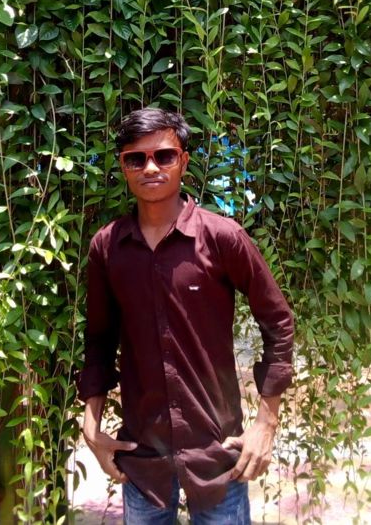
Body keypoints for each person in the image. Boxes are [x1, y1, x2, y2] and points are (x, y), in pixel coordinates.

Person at [78, 107, 294, 524]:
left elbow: (278, 322)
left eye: (164, 156)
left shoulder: (222, 238)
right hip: (142, 459)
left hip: (218, 455)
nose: (151, 168)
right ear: (123, 166)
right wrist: (92, 425)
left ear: (184, 161)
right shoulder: (108, 247)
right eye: (136, 159)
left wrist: (266, 424)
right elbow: (99, 340)